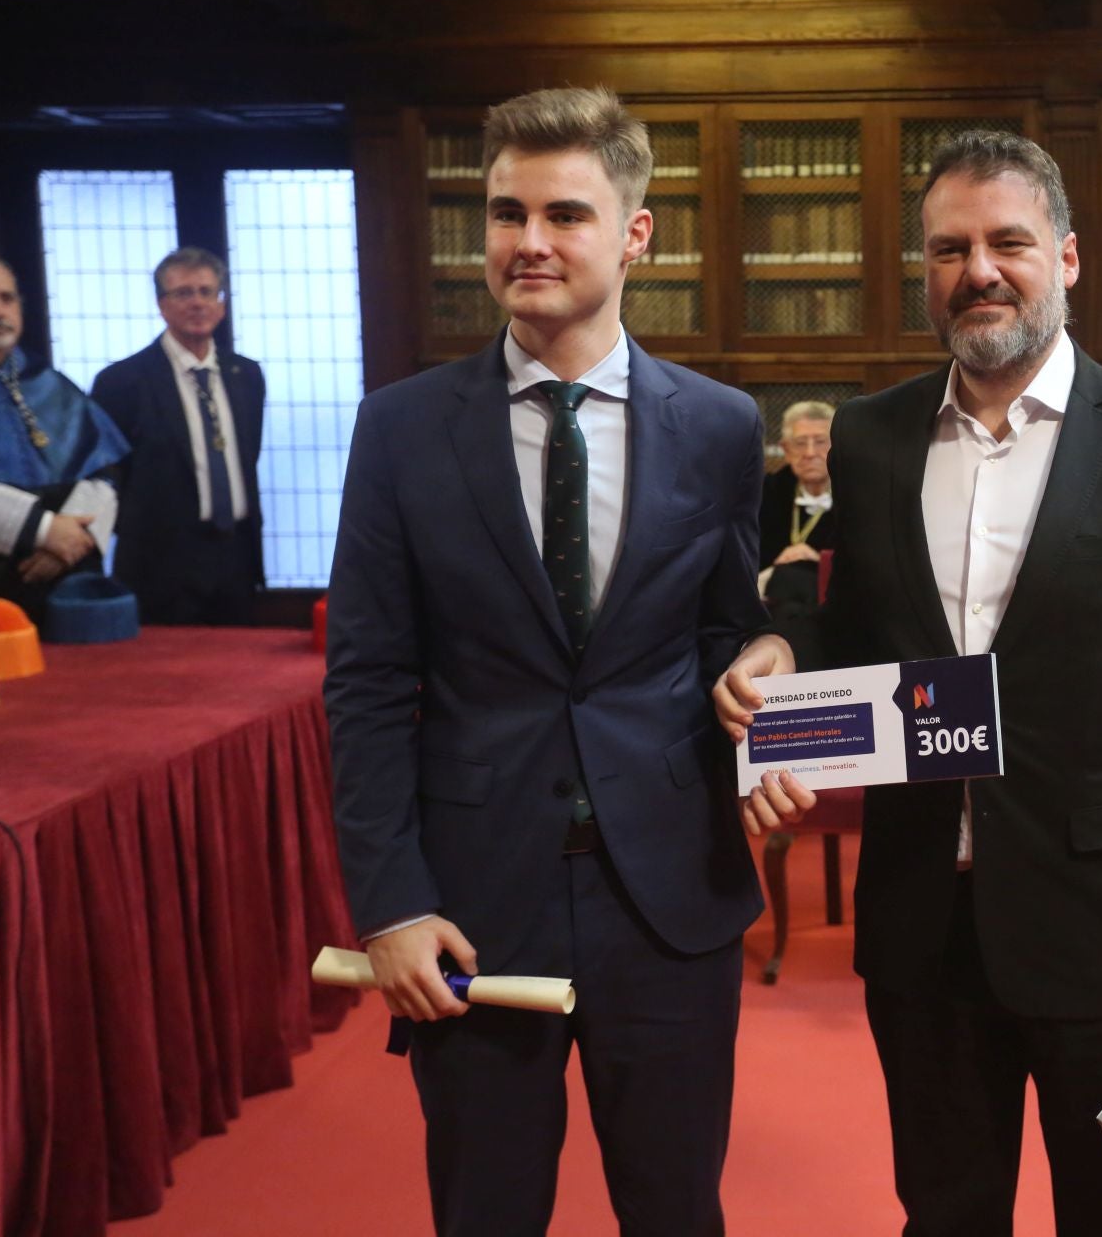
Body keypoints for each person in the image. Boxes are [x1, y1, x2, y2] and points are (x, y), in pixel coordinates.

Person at [716, 130, 1102, 1237]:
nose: (977, 269)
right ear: (924, 271)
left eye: (1007, 241)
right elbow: (852, 638)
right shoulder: (873, 439)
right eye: (949, 247)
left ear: (1067, 257)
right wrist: (782, 661)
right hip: (924, 921)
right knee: (943, 1213)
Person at [324, 87, 776, 1237]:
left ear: (635, 233)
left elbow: (729, 631)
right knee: (485, 1210)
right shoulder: (400, 427)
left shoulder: (722, 425)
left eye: (565, 213)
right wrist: (391, 901)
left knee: (678, 1209)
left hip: (671, 895)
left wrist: (767, 669)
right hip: (473, 905)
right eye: (505, 212)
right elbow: (369, 681)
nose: (529, 241)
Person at [91, 246, 265, 625]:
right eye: (184, 293)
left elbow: (247, 458)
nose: (197, 303)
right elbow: (106, 476)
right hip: (160, 564)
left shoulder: (247, 376)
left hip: (235, 556)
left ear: (221, 304)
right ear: (162, 305)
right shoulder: (121, 382)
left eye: (207, 292)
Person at [0, 253, 127, 622]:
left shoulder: (49, 383)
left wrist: (69, 543)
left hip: (68, 585)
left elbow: (105, 471)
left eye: (7, 298)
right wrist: (43, 530)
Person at [758, 397, 837, 621]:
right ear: (786, 449)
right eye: (800, 443)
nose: (810, 453)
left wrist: (821, 560)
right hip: (771, 604)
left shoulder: (858, 493)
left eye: (820, 441)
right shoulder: (766, 492)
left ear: (837, 445)